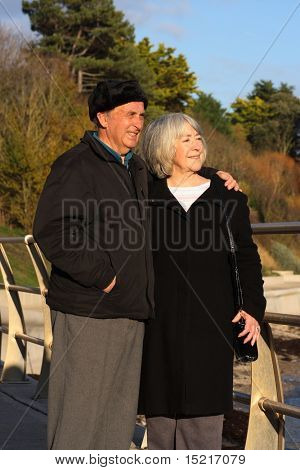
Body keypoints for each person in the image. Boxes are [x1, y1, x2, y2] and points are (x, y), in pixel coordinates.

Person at [33, 80, 239, 450]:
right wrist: (103, 277)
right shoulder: (76, 164)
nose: (138, 122)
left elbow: (178, 172)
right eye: (129, 114)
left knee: (116, 423)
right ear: (102, 117)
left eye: (141, 115)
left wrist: (217, 176)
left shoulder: (137, 168)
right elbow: (52, 231)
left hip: (133, 314)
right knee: (79, 423)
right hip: (91, 312)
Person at [138, 113, 266, 450]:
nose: (197, 144)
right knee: (161, 431)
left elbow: (247, 259)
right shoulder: (146, 198)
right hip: (158, 330)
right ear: (165, 148)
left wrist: (252, 308)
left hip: (212, 328)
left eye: (198, 137)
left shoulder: (229, 199)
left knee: (204, 433)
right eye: (186, 139)